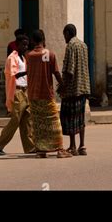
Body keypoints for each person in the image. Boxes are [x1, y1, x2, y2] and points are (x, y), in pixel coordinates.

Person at [26, 29, 71, 159]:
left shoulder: (29, 56)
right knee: (54, 122)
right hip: (46, 94)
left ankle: (41, 150)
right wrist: (63, 85)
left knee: (38, 123)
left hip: (33, 94)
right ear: (43, 40)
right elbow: (56, 73)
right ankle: (60, 149)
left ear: (33, 41)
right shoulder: (50, 54)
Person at [0, 34, 35, 155]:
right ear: (17, 45)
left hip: (25, 91)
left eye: (27, 45)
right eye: (23, 45)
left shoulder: (23, 57)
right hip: (17, 91)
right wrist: (27, 71)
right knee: (15, 120)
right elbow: (13, 75)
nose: (25, 47)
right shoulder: (12, 58)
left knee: (27, 120)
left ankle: (30, 147)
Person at [59, 24, 91, 156]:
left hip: (73, 89)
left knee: (70, 117)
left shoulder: (71, 46)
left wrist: (62, 86)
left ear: (68, 33)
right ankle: (82, 146)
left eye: (64, 35)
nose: (64, 38)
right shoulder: (83, 45)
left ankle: (72, 146)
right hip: (84, 87)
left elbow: (70, 70)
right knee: (80, 117)